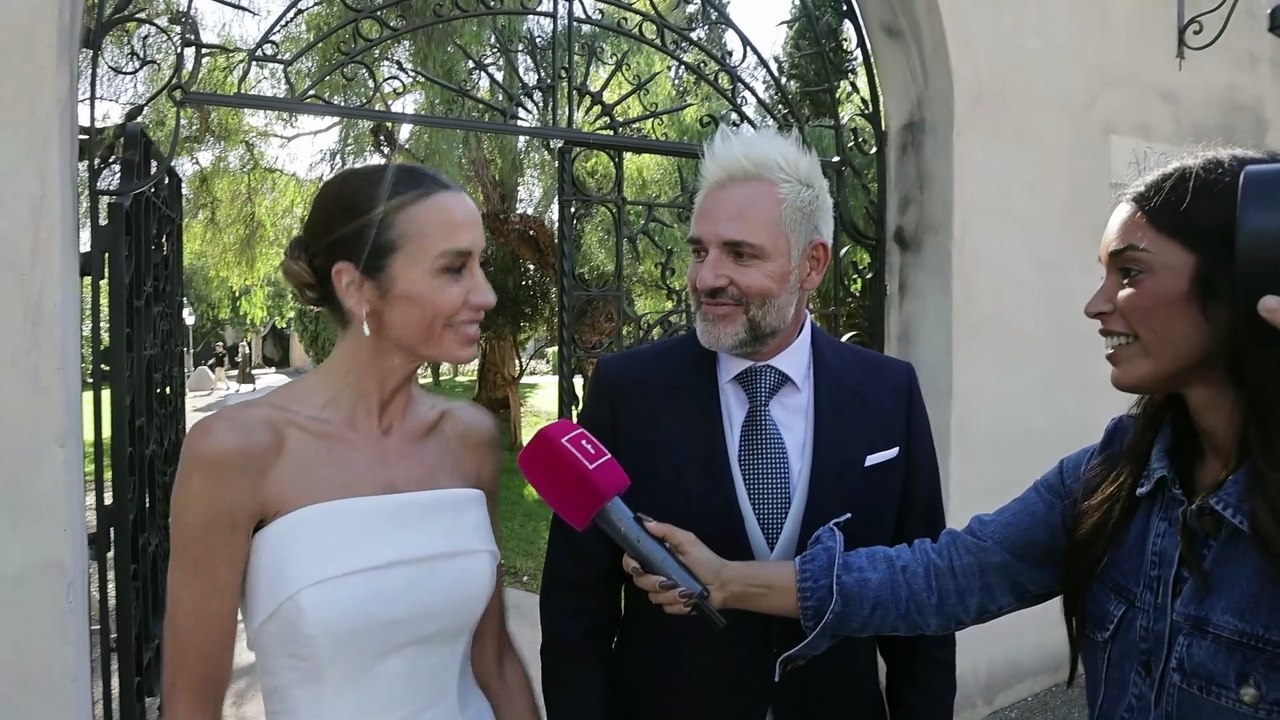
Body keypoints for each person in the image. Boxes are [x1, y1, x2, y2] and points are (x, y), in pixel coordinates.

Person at [625, 148, 1280, 719]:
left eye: (1130, 274)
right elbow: (942, 578)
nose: (1096, 302)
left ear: (1245, 281)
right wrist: (726, 580)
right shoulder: (1107, 480)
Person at [539, 126, 956, 720]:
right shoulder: (628, 392)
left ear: (812, 264)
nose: (707, 277)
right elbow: (573, 614)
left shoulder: (888, 393)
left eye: (740, 253)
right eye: (699, 250)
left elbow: (922, 607)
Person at [160, 164, 540, 720]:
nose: (485, 294)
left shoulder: (471, 440)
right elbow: (190, 705)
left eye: (479, 264)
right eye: (455, 269)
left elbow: (495, 660)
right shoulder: (236, 452)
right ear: (356, 287)